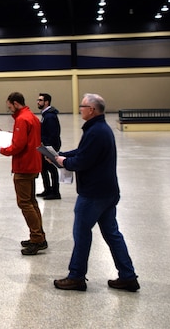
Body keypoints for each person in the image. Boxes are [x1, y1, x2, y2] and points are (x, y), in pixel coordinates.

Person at [53, 93, 139, 292]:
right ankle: (128, 276)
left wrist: (63, 162)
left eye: (82, 106)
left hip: (94, 194)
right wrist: (62, 155)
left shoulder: (96, 132)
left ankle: (76, 276)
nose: (80, 109)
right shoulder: (98, 129)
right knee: (112, 234)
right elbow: (83, 152)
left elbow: (82, 161)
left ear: (91, 110)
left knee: (81, 234)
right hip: (107, 192)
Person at [0, 92, 46, 255]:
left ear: (16, 103)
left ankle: (37, 239)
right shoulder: (31, 116)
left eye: (9, 106)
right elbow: (25, 139)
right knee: (31, 201)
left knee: (24, 203)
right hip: (33, 164)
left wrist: (1, 149)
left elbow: (17, 146)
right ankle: (38, 235)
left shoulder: (22, 119)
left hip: (24, 166)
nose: (9, 109)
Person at [37, 93, 62, 200]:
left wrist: (47, 145)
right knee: (43, 168)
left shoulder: (50, 116)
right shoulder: (45, 115)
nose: (38, 102)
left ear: (46, 102)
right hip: (45, 146)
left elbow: (53, 134)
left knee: (51, 168)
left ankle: (55, 192)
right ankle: (47, 189)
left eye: (40, 100)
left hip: (49, 147)